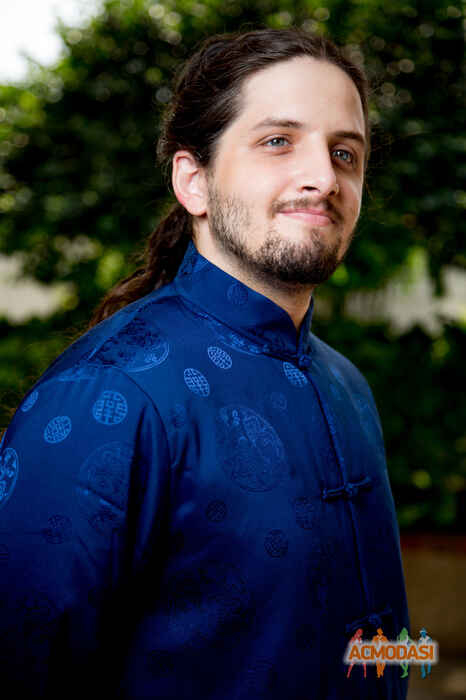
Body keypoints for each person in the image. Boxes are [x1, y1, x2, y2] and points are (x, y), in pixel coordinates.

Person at [0, 27, 410, 699]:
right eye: (278, 142)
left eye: (345, 152)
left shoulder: (347, 385)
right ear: (194, 181)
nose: (323, 177)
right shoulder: (106, 395)